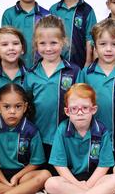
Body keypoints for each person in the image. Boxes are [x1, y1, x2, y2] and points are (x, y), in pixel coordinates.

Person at [41, 84, 115, 194]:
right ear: (67, 111)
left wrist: (89, 184)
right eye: (74, 109)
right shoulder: (62, 130)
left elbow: (104, 165)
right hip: (71, 180)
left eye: (85, 108)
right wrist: (78, 185)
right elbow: (59, 164)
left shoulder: (102, 131)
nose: (80, 113)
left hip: (96, 180)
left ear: (94, 109)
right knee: (51, 184)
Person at [24, 15, 83, 162]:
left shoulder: (74, 72)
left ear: (63, 42)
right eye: (42, 43)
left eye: (54, 43)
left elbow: (82, 104)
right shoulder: (30, 74)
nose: (48, 48)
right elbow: (26, 108)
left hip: (68, 138)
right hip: (38, 139)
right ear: (36, 44)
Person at [82, 18, 115, 162]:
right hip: (91, 142)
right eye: (103, 44)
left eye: (114, 44)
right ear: (95, 47)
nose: (108, 49)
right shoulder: (86, 74)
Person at [50, 0, 97, 68]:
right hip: (56, 64)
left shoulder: (87, 10)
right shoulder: (54, 10)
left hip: (80, 63)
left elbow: (90, 39)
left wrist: (88, 62)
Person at [2, 0, 50, 66]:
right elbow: (5, 41)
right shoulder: (9, 14)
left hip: (41, 67)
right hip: (15, 66)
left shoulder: (46, 15)